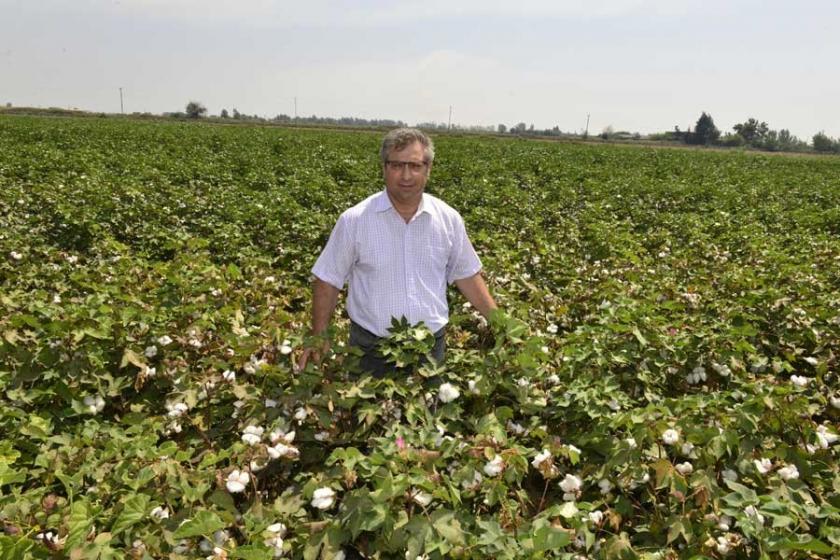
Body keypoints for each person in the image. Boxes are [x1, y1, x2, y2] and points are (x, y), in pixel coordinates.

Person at [297, 128, 496, 375]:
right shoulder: (355, 220)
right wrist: (318, 336)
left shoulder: (448, 219)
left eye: (415, 166)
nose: (405, 175)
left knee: (429, 413)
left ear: (428, 169)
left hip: (429, 351)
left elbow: (466, 274)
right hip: (370, 351)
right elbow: (328, 279)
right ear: (384, 168)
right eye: (396, 165)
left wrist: (501, 325)